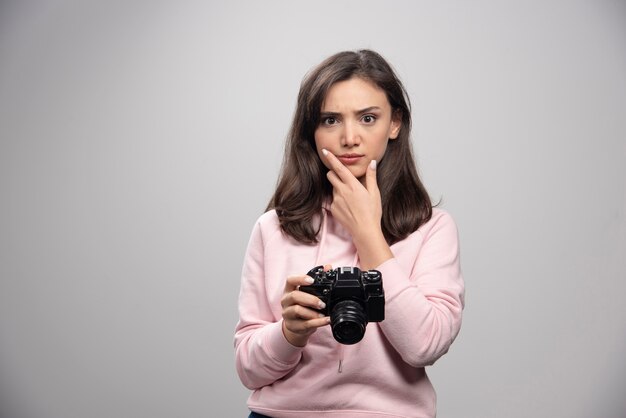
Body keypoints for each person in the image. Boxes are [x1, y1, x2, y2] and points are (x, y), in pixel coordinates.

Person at [234, 49, 465, 418]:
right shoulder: (274, 228)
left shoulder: (431, 227)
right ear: (311, 130)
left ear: (395, 124)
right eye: (330, 120)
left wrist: (367, 234)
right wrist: (288, 334)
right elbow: (249, 369)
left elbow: (426, 345)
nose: (349, 138)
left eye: (368, 118)